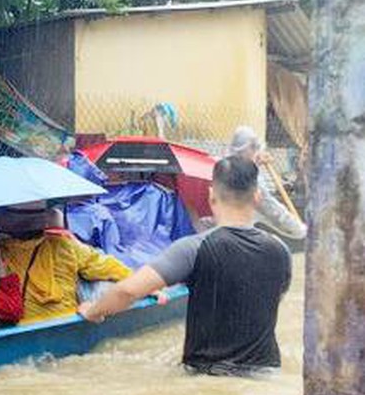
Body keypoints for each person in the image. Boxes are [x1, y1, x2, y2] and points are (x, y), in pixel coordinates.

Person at [79, 155, 292, 377]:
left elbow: (128, 290)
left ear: (211, 195)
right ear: (257, 197)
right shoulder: (281, 251)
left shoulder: (193, 249)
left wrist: (93, 311)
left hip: (207, 377)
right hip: (266, 375)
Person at [0, 205, 131, 323]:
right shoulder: (66, 245)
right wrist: (139, 280)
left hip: (23, 327)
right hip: (67, 321)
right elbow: (105, 266)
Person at [228, 125, 307, 240]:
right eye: (254, 148)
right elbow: (271, 208)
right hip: (241, 232)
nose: (257, 151)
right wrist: (299, 229)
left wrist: (257, 164)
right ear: (245, 150)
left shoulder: (226, 166)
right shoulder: (250, 177)